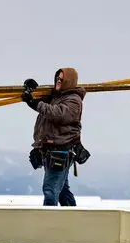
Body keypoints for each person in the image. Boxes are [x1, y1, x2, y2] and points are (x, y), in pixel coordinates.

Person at [21, 68, 87, 206]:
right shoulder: (56, 97)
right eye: (57, 78)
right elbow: (40, 102)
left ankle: (49, 224)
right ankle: (73, 219)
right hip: (51, 151)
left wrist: (33, 102)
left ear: (68, 82)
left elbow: (56, 114)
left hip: (60, 151)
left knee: (50, 190)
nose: (58, 81)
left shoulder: (74, 100)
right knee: (62, 190)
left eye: (61, 79)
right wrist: (30, 89)